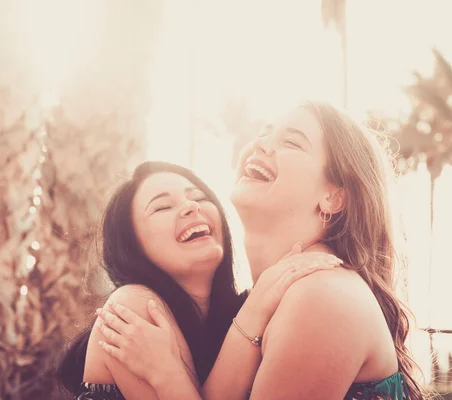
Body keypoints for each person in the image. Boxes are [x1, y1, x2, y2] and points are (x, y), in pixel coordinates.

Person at [96, 101, 426, 399]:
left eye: (292, 141)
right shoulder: (267, 301)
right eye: (264, 133)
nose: (260, 144)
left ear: (333, 197)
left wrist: (166, 375)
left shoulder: (321, 296)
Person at [57, 161, 340, 399]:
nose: (191, 207)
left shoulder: (244, 311)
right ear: (132, 245)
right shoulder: (131, 309)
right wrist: (166, 374)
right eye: (162, 207)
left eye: (199, 198)